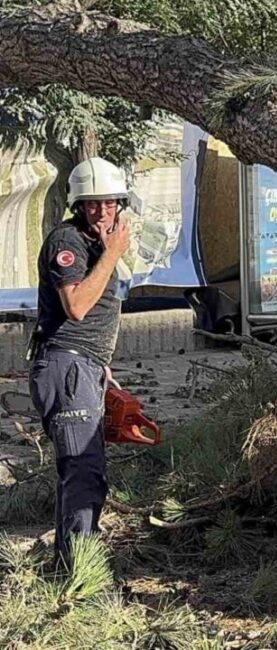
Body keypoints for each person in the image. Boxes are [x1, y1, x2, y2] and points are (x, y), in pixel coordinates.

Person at [28, 157, 130, 569]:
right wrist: (113, 253)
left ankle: (69, 569)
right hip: (65, 368)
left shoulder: (93, 245)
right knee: (84, 474)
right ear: (78, 206)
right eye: (92, 204)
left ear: (121, 203)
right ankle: (79, 578)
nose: (102, 211)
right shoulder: (68, 243)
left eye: (109, 202)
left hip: (81, 368)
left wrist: (100, 367)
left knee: (81, 474)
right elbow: (77, 307)